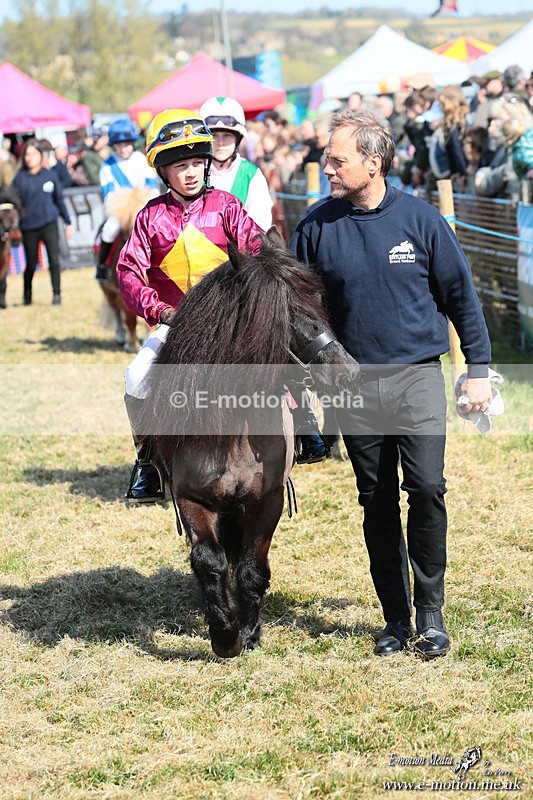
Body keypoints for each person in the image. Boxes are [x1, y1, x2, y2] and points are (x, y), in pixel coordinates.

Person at [290, 109, 492, 660]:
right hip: (352, 387)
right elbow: (297, 311)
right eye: (327, 158)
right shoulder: (314, 228)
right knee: (376, 500)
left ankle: (431, 615)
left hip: (418, 377)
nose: (327, 168)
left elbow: (461, 299)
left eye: (338, 159)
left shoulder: (422, 222)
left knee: (426, 488)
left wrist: (477, 369)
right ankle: (397, 621)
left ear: (372, 163)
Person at [116, 109, 328, 504]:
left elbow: (258, 247)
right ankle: (146, 459)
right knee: (136, 375)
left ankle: (305, 424)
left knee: (284, 354)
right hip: (176, 324)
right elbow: (128, 273)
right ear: (164, 171)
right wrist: (160, 311)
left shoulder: (227, 206)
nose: (191, 172)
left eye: (198, 162)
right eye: (181, 165)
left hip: (234, 320)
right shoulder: (150, 218)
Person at [11, 138, 73, 305]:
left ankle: (57, 295)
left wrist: (68, 222)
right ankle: (27, 295)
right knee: (31, 264)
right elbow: (13, 203)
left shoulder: (50, 175)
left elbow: (59, 201)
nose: (29, 158)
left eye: (33, 154)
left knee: (54, 259)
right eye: (27, 155)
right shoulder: (19, 179)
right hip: (29, 227)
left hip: (49, 223)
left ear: (40, 155)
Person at [96, 118, 159, 281]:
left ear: (132, 143)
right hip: (120, 210)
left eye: (126, 144)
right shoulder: (107, 165)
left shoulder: (143, 160)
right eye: (119, 145)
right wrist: (119, 208)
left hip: (143, 207)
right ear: (113, 145)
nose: (123, 148)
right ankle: (102, 265)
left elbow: (152, 187)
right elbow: (108, 193)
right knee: (110, 228)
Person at [199, 96, 273, 230]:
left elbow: (261, 227)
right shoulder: (193, 171)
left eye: (227, 136)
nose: (220, 142)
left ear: (237, 139)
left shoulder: (252, 174)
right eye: (214, 136)